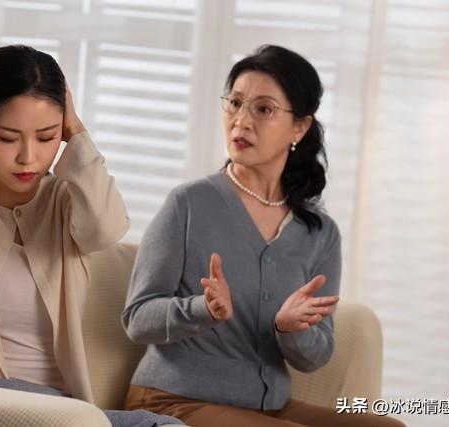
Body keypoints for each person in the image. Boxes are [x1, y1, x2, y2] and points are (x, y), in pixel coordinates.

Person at [122, 45, 405, 427]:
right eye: (235, 103)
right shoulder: (188, 204)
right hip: (172, 400)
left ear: (300, 127)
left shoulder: (319, 234)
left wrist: (290, 330)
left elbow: (317, 354)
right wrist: (201, 309)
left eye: (263, 109)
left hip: (268, 408)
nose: (241, 120)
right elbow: (137, 318)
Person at [0, 45, 182, 426]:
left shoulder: (66, 202)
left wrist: (77, 131)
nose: (28, 157)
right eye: (7, 138)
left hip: (61, 412)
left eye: (47, 137)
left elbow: (106, 226)